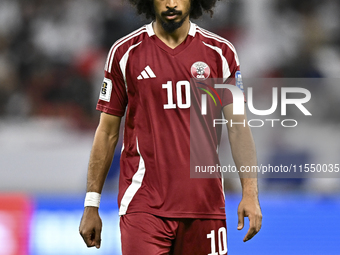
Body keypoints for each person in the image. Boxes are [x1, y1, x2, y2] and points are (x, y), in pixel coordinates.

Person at [79, 0, 262, 254]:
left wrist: (250, 193)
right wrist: (92, 204)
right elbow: (107, 132)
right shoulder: (125, 52)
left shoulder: (221, 52)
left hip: (205, 207)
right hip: (144, 207)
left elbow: (238, 127)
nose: (172, 3)